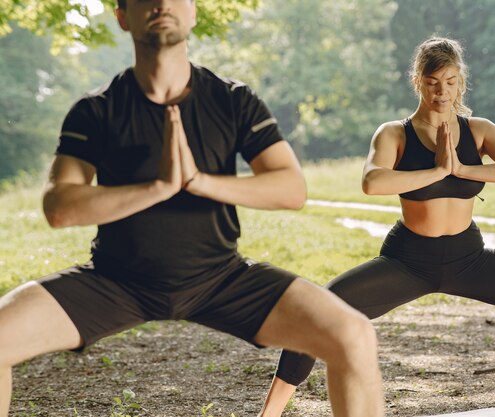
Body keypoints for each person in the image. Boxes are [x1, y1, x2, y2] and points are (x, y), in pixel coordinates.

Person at [0, 1, 385, 416]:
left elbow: (291, 189)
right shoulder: (95, 111)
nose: (163, 3)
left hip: (222, 279)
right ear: (123, 16)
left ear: (194, 12)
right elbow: (59, 207)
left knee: (353, 334)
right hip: (114, 282)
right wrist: (158, 187)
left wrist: (198, 182)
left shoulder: (233, 100)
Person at [257, 36, 495, 417]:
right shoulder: (394, 133)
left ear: (460, 82)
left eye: (450, 82)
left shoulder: (478, 130)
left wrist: (462, 168)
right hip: (408, 263)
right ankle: (269, 414)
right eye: (433, 82)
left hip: (470, 259)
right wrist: (435, 169)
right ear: (418, 81)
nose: (442, 91)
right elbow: (373, 182)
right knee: (318, 312)